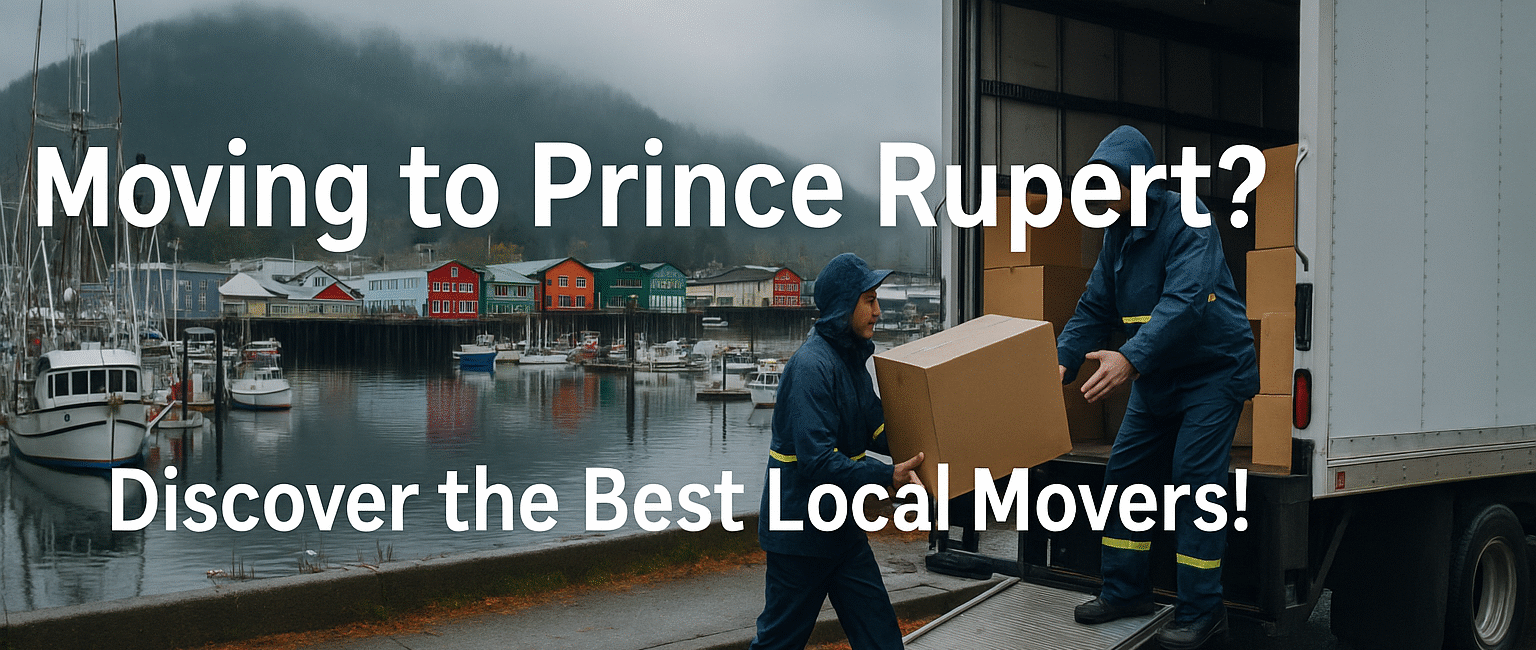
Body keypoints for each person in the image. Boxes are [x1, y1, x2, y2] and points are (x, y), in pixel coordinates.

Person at [1056, 126, 1258, 650]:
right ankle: (1126, 592)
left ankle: (1203, 612)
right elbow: (1095, 305)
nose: (1102, 195)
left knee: (1194, 481)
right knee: (1125, 473)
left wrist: (1129, 359)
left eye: (1111, 184)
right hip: (1159, 375)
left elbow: (1185, 303)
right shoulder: (1117, 233)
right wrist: (1061, 360)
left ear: (1141, 181)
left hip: (1212, 373)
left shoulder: (1189, 218)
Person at [748, 252, 925, 650]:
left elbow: (877, 427)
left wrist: (931, 439)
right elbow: (816, 460)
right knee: (778, 644)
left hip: (843, 533)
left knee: (881, 640)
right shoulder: (810, 367)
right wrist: (887, 475)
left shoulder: (850, 360)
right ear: (846, 305)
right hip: (799, 539)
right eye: (870, 300)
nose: (878, 311)